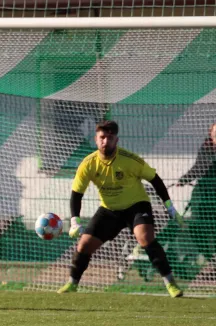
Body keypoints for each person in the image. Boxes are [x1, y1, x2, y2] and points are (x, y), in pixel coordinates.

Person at [60, 120, 185, 298]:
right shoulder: (88, 164)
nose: (105, 141)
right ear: (96, 140)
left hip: (136, 206)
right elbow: (77, 194)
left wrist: (170, 208)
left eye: (110, 138)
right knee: (84, 244)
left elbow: (155, 180)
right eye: (102, 137)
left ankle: (170, 283)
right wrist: (74, 221)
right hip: (109, 210)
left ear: (116, 140)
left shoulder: (130, 160)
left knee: (145, 238)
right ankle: (72, 284)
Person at [176, 123, 216, 264]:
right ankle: (210, 258)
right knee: (196, 227)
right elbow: (199, 168)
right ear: (210, 133)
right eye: (215, 132)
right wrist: (184, 179)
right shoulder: (206, 148)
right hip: (203, 195)